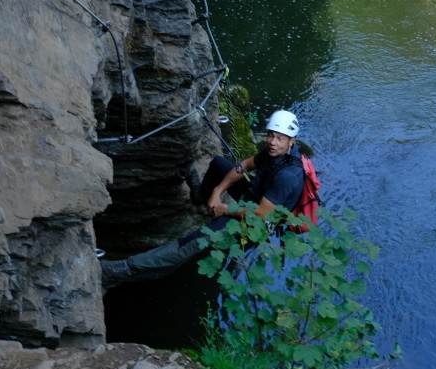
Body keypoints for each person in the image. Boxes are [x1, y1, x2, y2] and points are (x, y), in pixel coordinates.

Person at [99, 109, 306, 287]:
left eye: (280, 138)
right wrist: (217, 191)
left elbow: (261, 215)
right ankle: (201, 197)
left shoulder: (287, 176)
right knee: (218, 163)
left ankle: (122, 269)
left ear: (291, 141)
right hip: (255, 196)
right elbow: (246, 165)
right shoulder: (273, 153)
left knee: (191, 241)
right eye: (271, 135)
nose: (272, 142)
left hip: (257, 221)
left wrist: (224, 209)